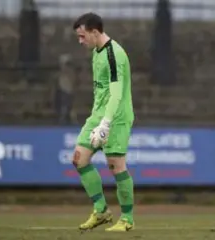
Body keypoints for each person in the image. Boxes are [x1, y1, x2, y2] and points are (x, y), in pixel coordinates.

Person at [71, 13, 135, 232]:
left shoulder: (113, 54)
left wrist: (105, 124)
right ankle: (101, 211)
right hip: (98, 115)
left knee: (116, 166)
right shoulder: (96, 52)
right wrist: (97, 120)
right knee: (79, 159)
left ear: (94, 32)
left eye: (82, 36)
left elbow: (116, 93)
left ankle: (127, 219)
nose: (80, 41)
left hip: (116, 117)